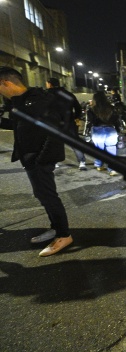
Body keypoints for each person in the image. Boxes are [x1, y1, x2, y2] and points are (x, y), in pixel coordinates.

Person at [0, 67, 73, 256]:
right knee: (42, 195)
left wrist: (41, 160)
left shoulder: (39, 100)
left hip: (39, 158)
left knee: (48, 196)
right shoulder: (20, 102)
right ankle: (56, 228)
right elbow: (21, 126)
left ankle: (64, 235)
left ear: (6, 83)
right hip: (30, 158)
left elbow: (55, 132)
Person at [45, 77, 87, 170]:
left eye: (47, 83)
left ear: (50, 84)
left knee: (53, 143)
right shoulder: (68, 94)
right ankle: (82, 162)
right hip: (69, 122)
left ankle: (54, 162)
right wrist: (76, 117)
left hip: (53, 123)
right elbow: (78, 108)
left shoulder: (46, 95)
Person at [87, 91, 121, 176]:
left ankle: (99, 164)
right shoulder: (112, 108)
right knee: (112, 149)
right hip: (110, 130)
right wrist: (117, 130)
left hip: (98, 131)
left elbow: (91, 122)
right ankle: (112, 169)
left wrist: (87, 132)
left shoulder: (91, 109)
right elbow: (116, 120)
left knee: (99, 150)